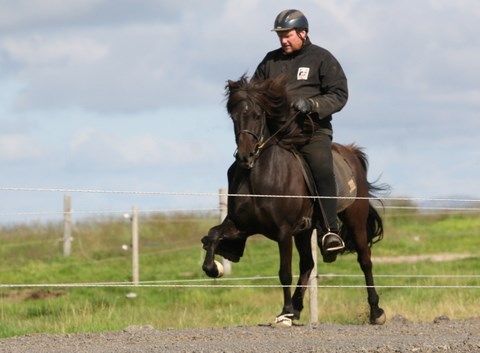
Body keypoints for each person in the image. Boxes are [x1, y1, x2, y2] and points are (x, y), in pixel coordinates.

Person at [252, 9, 348, 262]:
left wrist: (313, 105)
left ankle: (330, 231)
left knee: (321, 168)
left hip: (311, 132)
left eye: (288, 35)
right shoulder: (269, 62)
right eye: (280, 36)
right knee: (245, 165)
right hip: (277, 135)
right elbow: (255, 93)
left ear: (303, 33)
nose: (283, 40)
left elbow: (339, 94)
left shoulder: (322, 59)